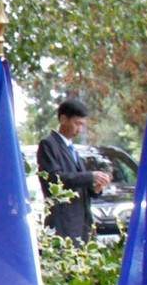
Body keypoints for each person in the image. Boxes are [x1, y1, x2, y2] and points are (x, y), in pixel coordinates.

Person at [37, 97, 111, 242]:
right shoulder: (49, 144)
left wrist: (95, 188)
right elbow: (54, 179)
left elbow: (80, 183)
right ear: (63, 119)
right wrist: (90, 177)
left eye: (83, 125)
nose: (80, 130)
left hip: (82, 224)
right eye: (77, 124)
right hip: (63, 224)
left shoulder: (72, 149)